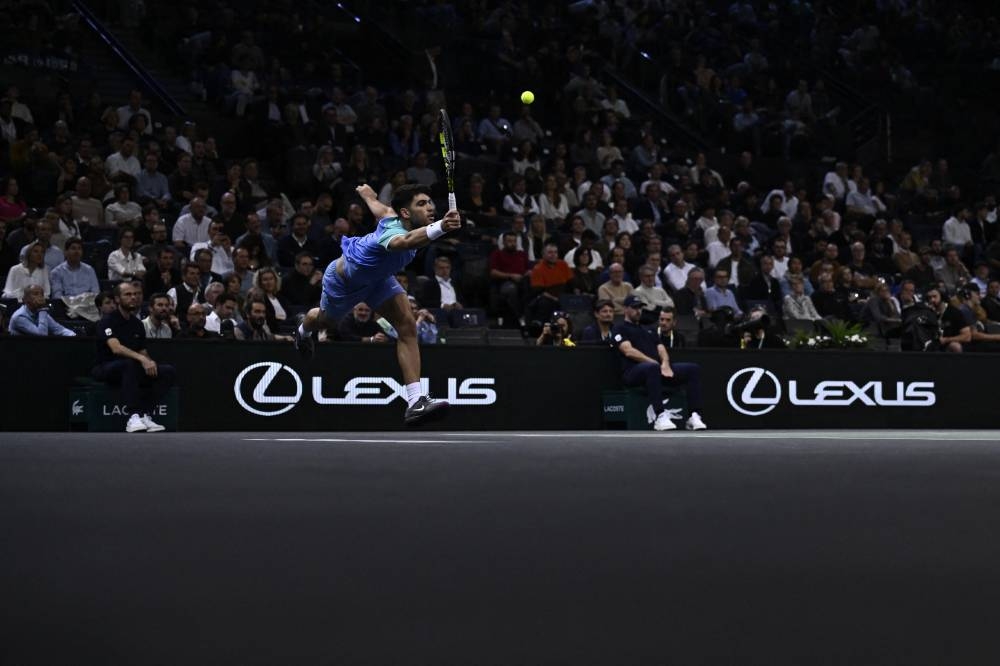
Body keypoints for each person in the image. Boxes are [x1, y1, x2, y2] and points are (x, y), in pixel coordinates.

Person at [295, 183, 462, 424]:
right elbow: (403, 243)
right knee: (323, 320)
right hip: (344, 282)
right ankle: (302, 330)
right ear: (406, 213)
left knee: (407, 325)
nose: (430, 207)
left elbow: (381, 210)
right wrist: (440, 227)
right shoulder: (394, 233)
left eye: (430, 202)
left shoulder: (394, 216)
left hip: (378, 280)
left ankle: (415, 401)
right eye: (421, 204)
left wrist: (368, 196)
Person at [611, 295, 707, 431]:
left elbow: (661, 349)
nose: (638, 311)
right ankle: (660, 416)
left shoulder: (649, 330)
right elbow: (628, 351)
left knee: (693, 369)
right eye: (634, 308)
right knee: (652, 368)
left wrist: (665, 364)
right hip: (632, 372)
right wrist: (655, 364)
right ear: (626, 309)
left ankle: (694, 415)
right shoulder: (619, 328)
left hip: (656, 369)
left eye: (640, 308)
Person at [92, 282, 175, 432]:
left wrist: (149, 362)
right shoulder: (107, 321)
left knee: (167, 371)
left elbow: (142, 351)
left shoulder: (137, 324)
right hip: (106, 368)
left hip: (133, 368)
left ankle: (145, 414)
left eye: (136, 294)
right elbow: (115, 348)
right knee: (129, 364)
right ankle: (133, 416)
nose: (133, 298)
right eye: (128, 295)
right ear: (117, 299)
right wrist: (142, 359)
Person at [8, 285, 75, 336]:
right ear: (25, 299)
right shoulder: (19, 316)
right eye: (36, 294)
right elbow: (41, 336)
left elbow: (59, 330)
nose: (40, 297)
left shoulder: (39, 312)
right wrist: (42, 309)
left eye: (42, 294)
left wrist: (74, 335)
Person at [926, 286, 971, 352]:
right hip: (932, 344)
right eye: (929, 298)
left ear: (942, 296)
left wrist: (946, 339)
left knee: (955, 346)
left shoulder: (953, 312)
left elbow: (967, 336)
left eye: (935, 296)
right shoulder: (927, 312)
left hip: (949, 344)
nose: (932, 300)